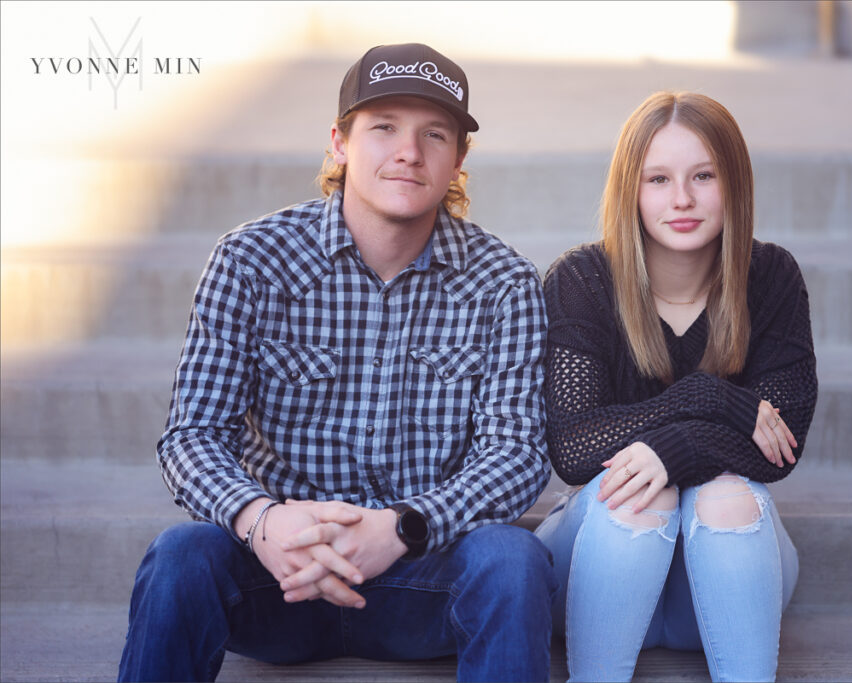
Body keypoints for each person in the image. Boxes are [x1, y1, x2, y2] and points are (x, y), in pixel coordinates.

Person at [119, 43, 555, 683]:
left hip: (422, 575)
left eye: (434, 134)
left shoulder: (504, 282)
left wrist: (404, 527)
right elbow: (192, 435)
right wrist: (263, 520)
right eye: (383, 128)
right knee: (182, 554)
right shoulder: (251, 261)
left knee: (512, 558)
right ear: (340, 142)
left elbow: (517, 454)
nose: (408, 151)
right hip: (282, 575)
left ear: (459, 158)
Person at [534, 91, 818, 682]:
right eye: (658, 179)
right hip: (600, 573)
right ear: (630, 190)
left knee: (728, 495)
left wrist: (676, 449)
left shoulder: (770, 277)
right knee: (639, 494)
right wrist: (708, 400)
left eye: (703, 176)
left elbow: (780, 445)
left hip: (714, 591)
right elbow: (576, 448)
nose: (682, 199)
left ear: (733, 183)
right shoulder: (583, 280)